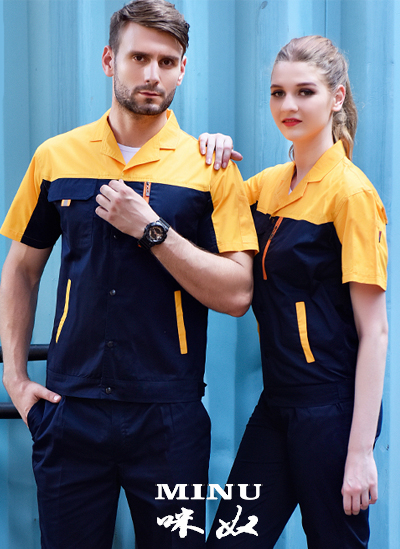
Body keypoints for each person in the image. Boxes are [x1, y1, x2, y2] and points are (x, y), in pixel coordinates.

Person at [0, 1, 258, 548]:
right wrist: (16, 380)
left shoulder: (210, 168)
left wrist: (152, 230)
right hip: (71, 411)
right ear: (108, 60)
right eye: (139, 57)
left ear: (182, 69)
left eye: (167, 61)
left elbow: (238, 293)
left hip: (170, 419)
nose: (152, 74)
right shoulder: (56, 157)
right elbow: (21, 269)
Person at [201, 35, 388, 548]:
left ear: (336, 96)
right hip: (278, 403)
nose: (289, 105)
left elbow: (375, 332)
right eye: (278, 92)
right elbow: (209, 207)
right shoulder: (266, 186)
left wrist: (359, 453)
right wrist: (212, 151)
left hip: (331, 409)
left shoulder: (351, 194)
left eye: (305, 92)